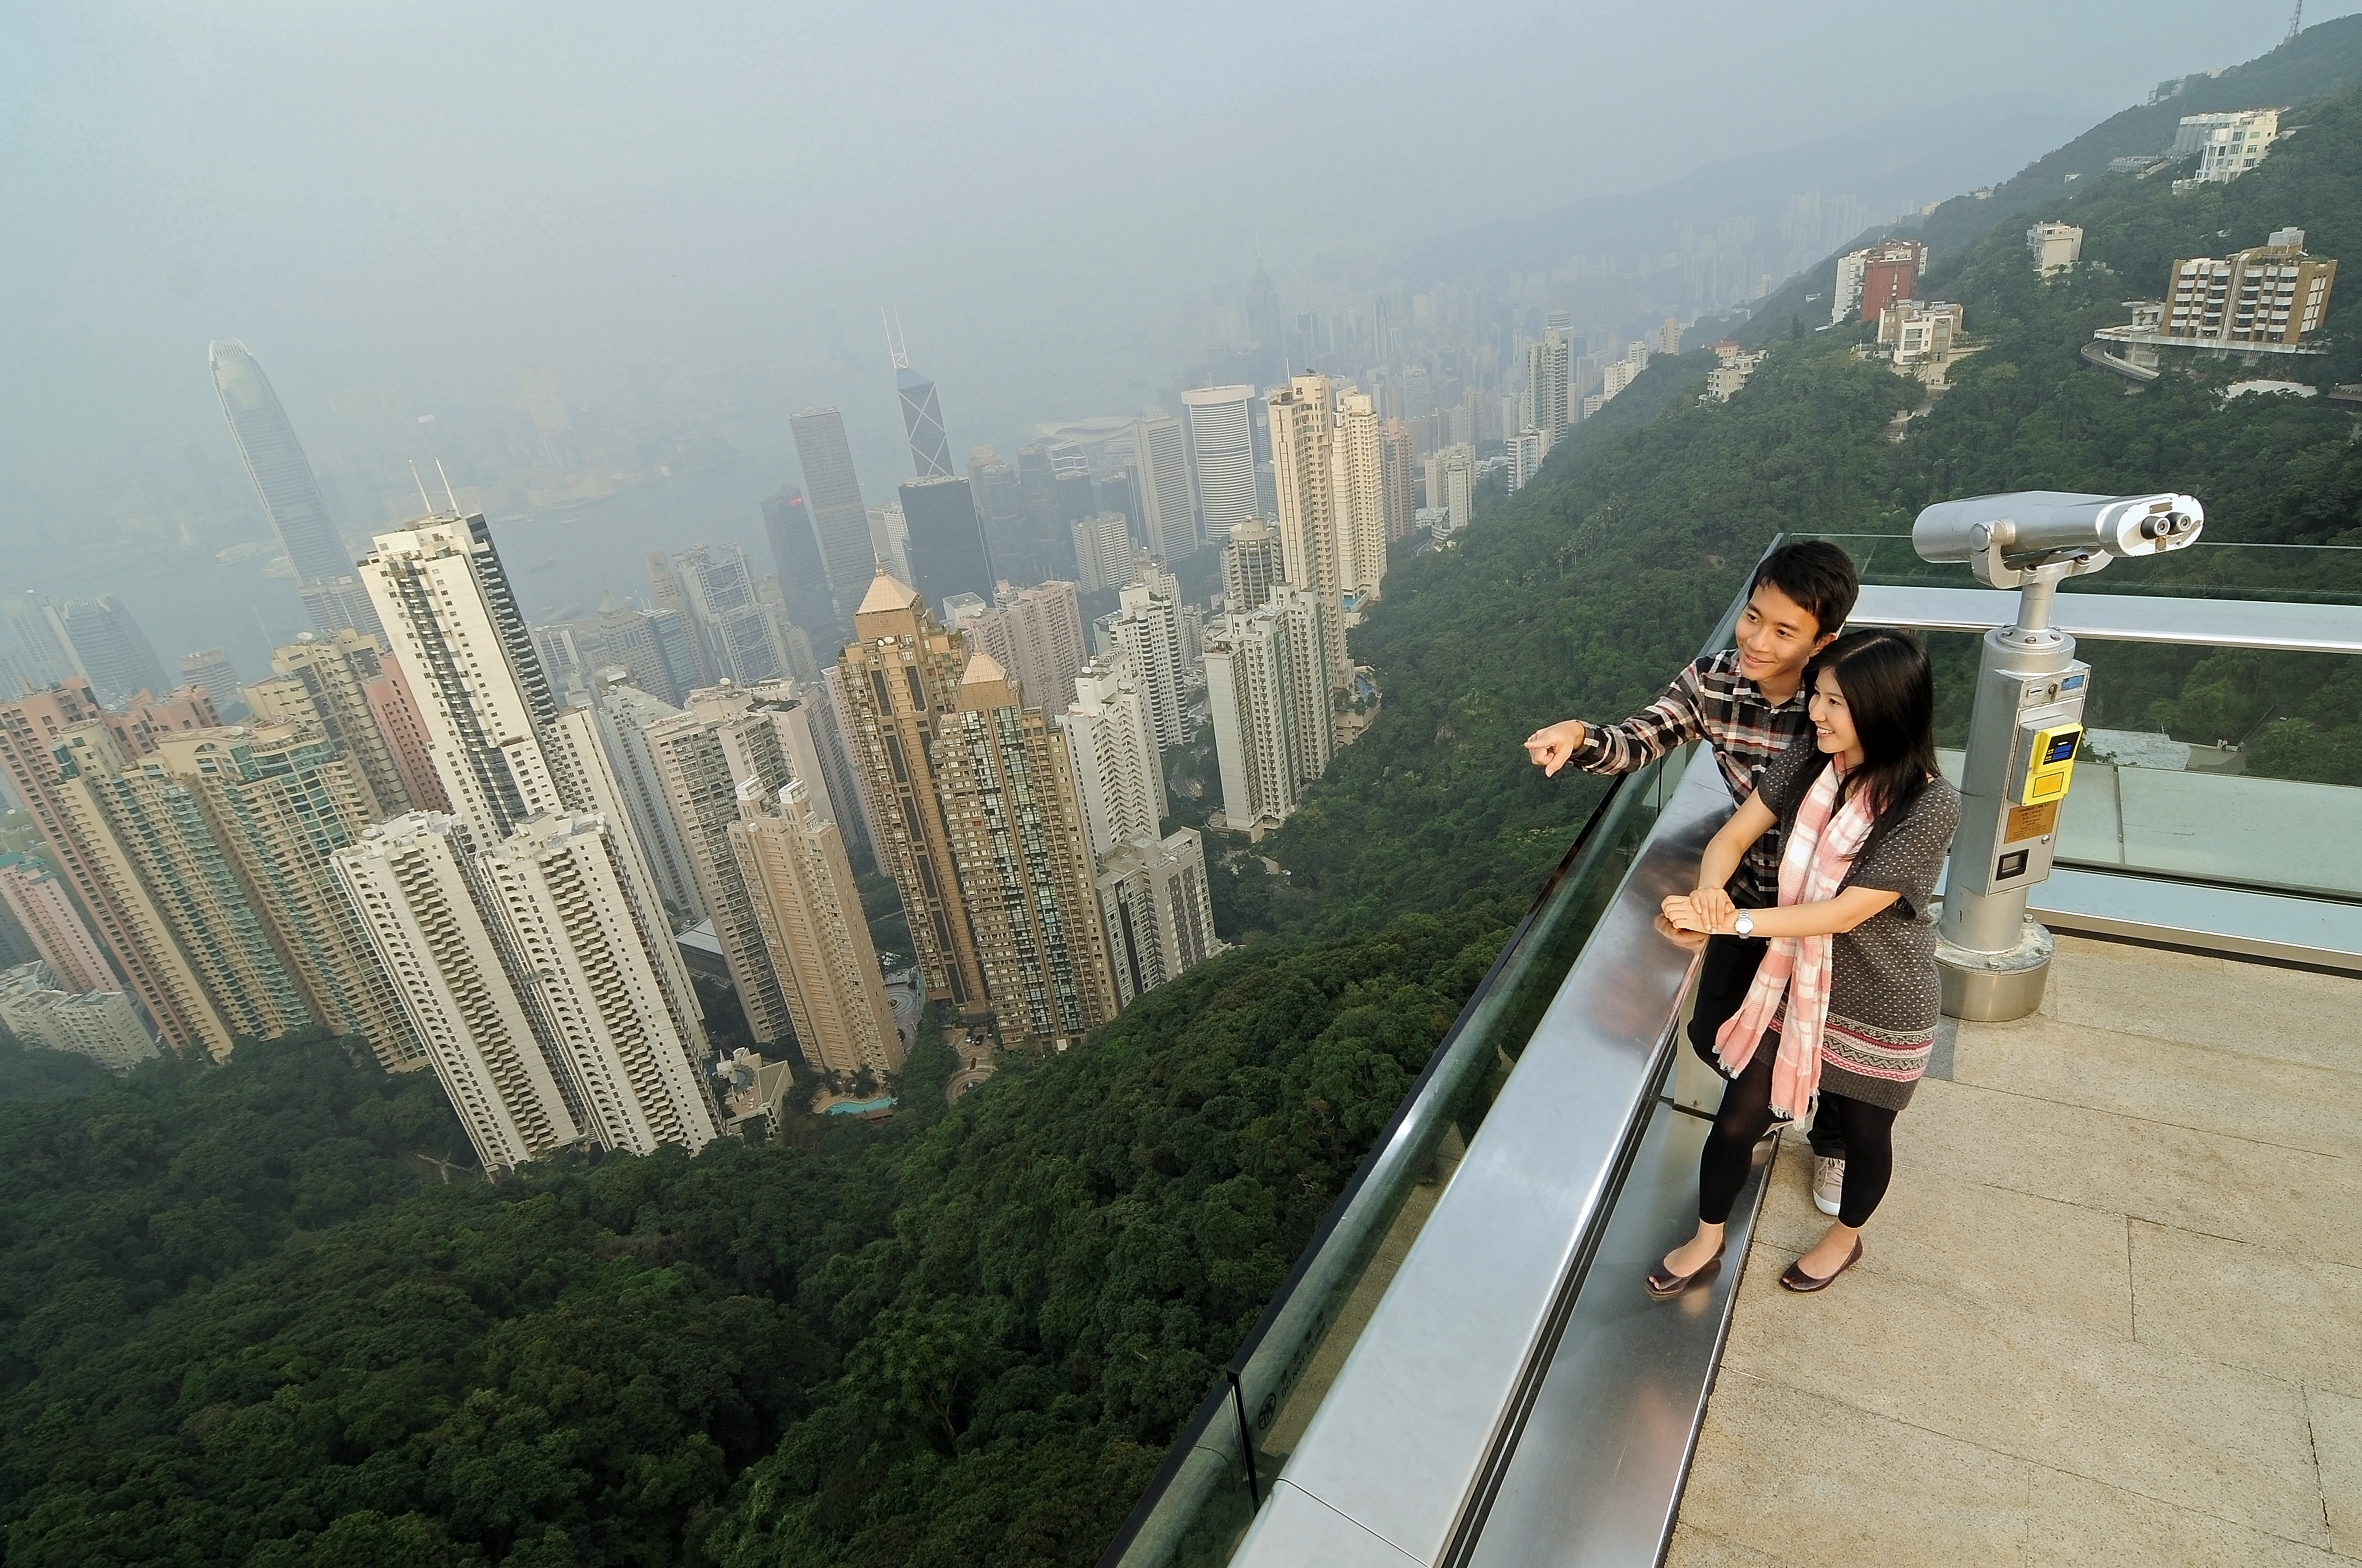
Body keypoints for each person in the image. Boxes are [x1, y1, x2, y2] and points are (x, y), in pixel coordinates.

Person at [1524, 540, 1860, 1215]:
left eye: (1784, 631)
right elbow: (1642, 739)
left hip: (1827, 907)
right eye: (1753, 616)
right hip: (1743, 892)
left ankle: (1835, 1140)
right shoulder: (1714, 682)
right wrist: (1581, 735)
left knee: (1836, 1041)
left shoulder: (1840, 701)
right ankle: (1771, 1104)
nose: (1757, 640)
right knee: (1714, 1033)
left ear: (1823, 641)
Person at [1646, 629, 1958, 1295]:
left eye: (1835, 702)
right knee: (1738, 1117)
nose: (1815, 712)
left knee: (1866, 1134)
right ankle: (1707, 1237)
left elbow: (1844, 913)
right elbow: (1734, 834)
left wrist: (1735, 921)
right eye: (1818, 695)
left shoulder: (1930, 803)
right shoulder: (1812, 760)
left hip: (1883, 1001)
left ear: (1884, 707)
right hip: (1796, 985)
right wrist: (1710, 893)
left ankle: (1845, 1238)